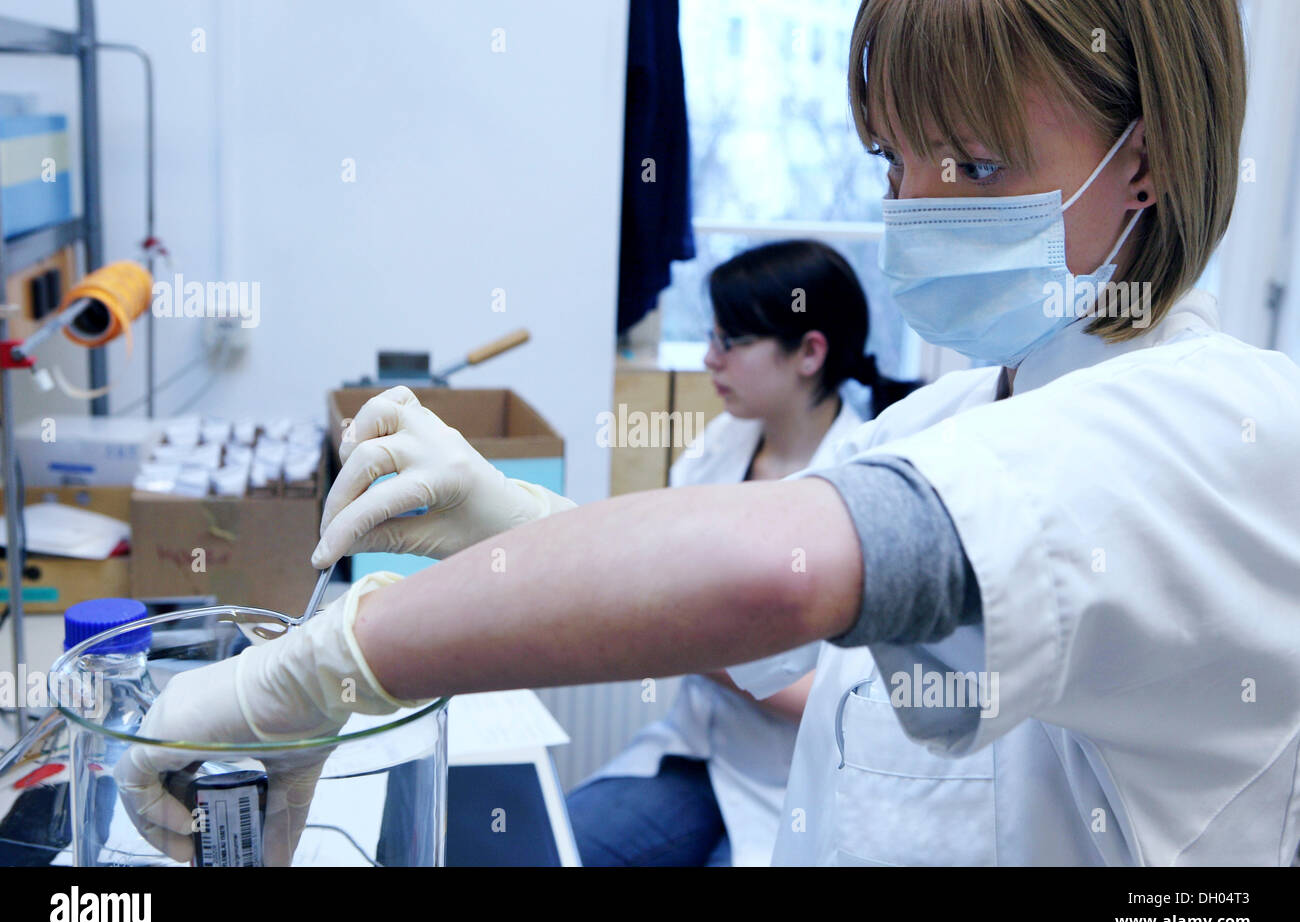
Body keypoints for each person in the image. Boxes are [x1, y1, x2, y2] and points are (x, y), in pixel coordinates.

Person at [117, 0, 1300, 867]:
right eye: (895, 158)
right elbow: (807, 648)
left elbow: (777, 578)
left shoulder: (1224, 429)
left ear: (1140, 158)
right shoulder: (954, 416)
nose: (914, 208)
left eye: (977, 163)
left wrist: (319, 672)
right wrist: (523, 525)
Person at [569, 240, 918, 867]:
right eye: (711, 338)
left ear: (809, 352)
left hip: (803, 779)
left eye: (731, 342)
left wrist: (695, 647)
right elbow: (656, 581)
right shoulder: (719, 448)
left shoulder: (872, 479)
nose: (709, 359)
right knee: (553, 847)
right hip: (700, 754)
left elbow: (845, 701)